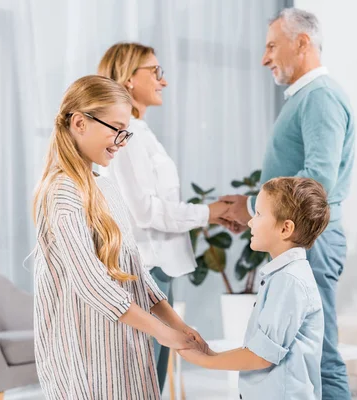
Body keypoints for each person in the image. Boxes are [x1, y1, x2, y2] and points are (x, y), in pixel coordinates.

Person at [32, 75, 204, 399]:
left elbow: (137, 274)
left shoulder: (106, 187)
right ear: (80, 122)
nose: (121, 141)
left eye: (125, 131)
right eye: (115, 128)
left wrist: (179, 326)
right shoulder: (62, 193)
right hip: (86, 354)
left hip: (120, 347)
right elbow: (91, 283)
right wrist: (162, 333)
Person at [220, 8, 356, 398]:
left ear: (302, 43)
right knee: (305, 356)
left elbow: (317, 183)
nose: (265, 58)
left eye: (271, 46)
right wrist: (251, 210)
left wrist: (249, 207)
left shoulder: (320, 98)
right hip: (303, 240)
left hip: (314, 241)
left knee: (322, 357)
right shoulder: (307, 98)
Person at [97, 42, 228, 391]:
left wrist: (209, 214)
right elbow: (145, 210)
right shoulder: (130, 135)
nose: (163, 80)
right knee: (143, 380)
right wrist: (208, 213)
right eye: (155, 71)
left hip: (155, 268)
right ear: (127, 78)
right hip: (146, 267)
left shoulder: (141, 133)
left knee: (151, 379)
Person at [180, 177, 329, 400]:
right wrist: (211, 353)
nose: (250, 222)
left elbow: (262, 356)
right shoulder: (283, 276)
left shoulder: (289, 280)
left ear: (285, 228)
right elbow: (260, 349)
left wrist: (205, 361)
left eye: (258, 214)